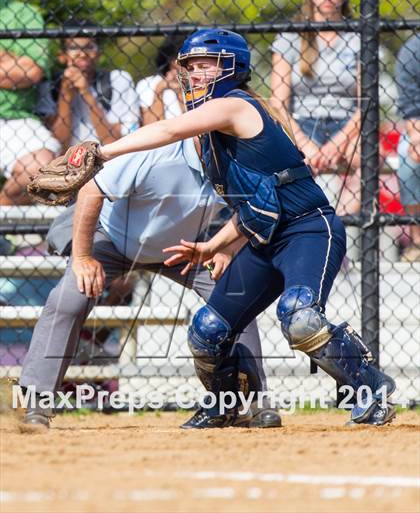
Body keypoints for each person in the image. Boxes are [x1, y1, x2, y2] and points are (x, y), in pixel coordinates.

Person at [91, 28, 396, 428]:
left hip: (309, 229)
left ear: (233, 68)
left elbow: (166, 130)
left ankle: (369, 387)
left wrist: (101, 152)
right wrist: (215, 244)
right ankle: (225, 404)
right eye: (191, 67)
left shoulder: (235, 106)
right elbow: (258, 201)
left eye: (206, 66)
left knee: (299, 316)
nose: (195, 74)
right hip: (265, 239)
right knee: (207, 330)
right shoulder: (213, 137)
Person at [19, 135, 281, 429]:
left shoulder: (237, 162)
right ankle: (37, 403)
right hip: (113, 239)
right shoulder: (157, 152)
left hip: (184, 245)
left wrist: (228, 248)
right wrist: (82, 258)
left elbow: (256, 207)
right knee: (69, 298)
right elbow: (92, 191)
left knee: (237, 297)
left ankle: (254, 401)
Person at [271, 0, 360, 216]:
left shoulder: (357, 37)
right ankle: (307, 222)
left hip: (346, 126)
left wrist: (338, 144)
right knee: (280, 161)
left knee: (370, 160)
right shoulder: (291, 36)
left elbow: (369, 102)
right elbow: (278, 103)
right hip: (303, 123)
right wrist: (306, 145)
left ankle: (338, 221)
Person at [0, 0, 61, 205]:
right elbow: (16, 70)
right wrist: (8, 56)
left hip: (13, 119)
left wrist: (17, 66)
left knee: (41, 169)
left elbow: (30, 71)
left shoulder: (24, 13)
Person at [37, 19, 139, 150]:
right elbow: (59, 147)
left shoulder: (117, 79)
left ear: (98, 54)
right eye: (73, 47)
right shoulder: (50, 86)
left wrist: (87, 94)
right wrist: (65, 97)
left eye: (89, 47)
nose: (82, 54)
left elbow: (116, 144)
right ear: (62, 56)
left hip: (109, 159)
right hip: (67, 164)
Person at [395, 34, 420, 262]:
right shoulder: (412, 49)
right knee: (409, 161)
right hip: (418, 125)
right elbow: (410, 106)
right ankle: (417, 239)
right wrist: (416, 138)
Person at [136, 35, 186, 124]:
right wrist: (159, 90)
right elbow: (150, 128)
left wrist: (180, 94)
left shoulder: (203, 82)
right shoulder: (148, 84)